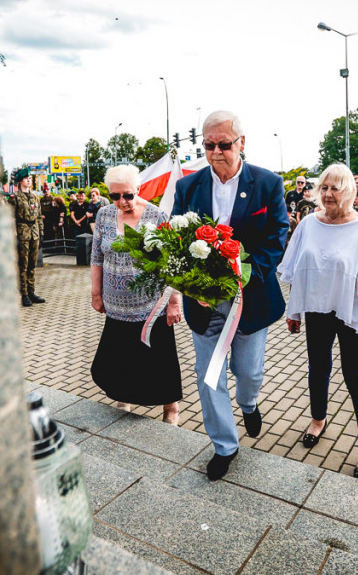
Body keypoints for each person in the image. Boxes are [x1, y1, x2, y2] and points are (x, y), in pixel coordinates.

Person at [172, 110, 290, 480]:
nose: (216, 152)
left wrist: (249, 275)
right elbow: (177, 242)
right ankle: (225, 445)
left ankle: (249, 402)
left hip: (250, 298)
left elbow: (277, 235)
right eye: (209, 145)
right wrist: (193, 286)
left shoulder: (268, 183)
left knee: (249, 371)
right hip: (204, 301)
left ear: (241, 143)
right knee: (209, 377)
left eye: (224, 144)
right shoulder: (187, 187)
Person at [278, 164, 358, 481]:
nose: (328, 194)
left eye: (335, 188)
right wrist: (294, 310)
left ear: (349, 192)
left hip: (350, 312)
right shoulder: (309, 224)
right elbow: (299, 269)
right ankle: (318, 419)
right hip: (316, 309)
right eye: (324, 187)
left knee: (356, 377)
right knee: (318, 367)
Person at [90, 165, 183, 423]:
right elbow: (96, 256)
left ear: (139, 190)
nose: (122, 202)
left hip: (151, 306)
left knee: (160, 361)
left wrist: (175, 302)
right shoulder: (105, 215)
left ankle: (170, 409)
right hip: (116, 306)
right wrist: (96, 293)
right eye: (115, 196)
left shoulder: (157, 216)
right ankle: (123, 398)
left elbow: (171, 262)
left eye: (128, 196)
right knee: (121, 357)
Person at [9, 165, 46, 307]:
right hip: (22, 233)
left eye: (30, 178)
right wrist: (14, 237)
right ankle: (23, 294)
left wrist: (41, 234)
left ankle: (31, 292)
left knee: (32, 265)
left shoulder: (35, 197)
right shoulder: (15, 198)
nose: (29, 180)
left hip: (34, 233)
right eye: (26, 178)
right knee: (22, 266)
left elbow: (39, 218)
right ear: (20, 181)